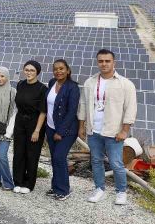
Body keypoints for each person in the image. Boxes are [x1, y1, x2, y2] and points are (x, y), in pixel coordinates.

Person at [78, 49, 137, 206]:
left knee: (116, 163)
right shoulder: (90, 82)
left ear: (114, 62)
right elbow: (83, 105)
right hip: (94, 130)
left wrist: (125, 130)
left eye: (107, 61)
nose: (103, 64)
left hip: (114, 132)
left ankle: (121, 192)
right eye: (100, 61)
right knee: (96, 161)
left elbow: (130, 109)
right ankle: (99, 189)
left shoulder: (126, 84)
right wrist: (82, 126)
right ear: (97, 62)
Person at [45, 59, 80, 201]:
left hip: (66, 130)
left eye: (61, 69)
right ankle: (56, 186)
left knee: (59, 157)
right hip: (50, 127)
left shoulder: (73, 87)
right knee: (54, 158)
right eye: (55, 69)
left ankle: (64, 189)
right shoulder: (52, 83)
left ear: (68, 71)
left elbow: (72, 112)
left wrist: (60, 131)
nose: (58, 71)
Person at [12, 60, 47, 194]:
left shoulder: (42, 88)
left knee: (32, 154)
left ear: (37, 72)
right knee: (19, 152)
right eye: (27, 70)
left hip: (35, 122)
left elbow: (43, 111)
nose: (29, 72)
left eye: (32, 70)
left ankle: (28, 183)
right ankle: (18, 181)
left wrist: (37, 130)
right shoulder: (21, 84)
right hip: (20, 121)